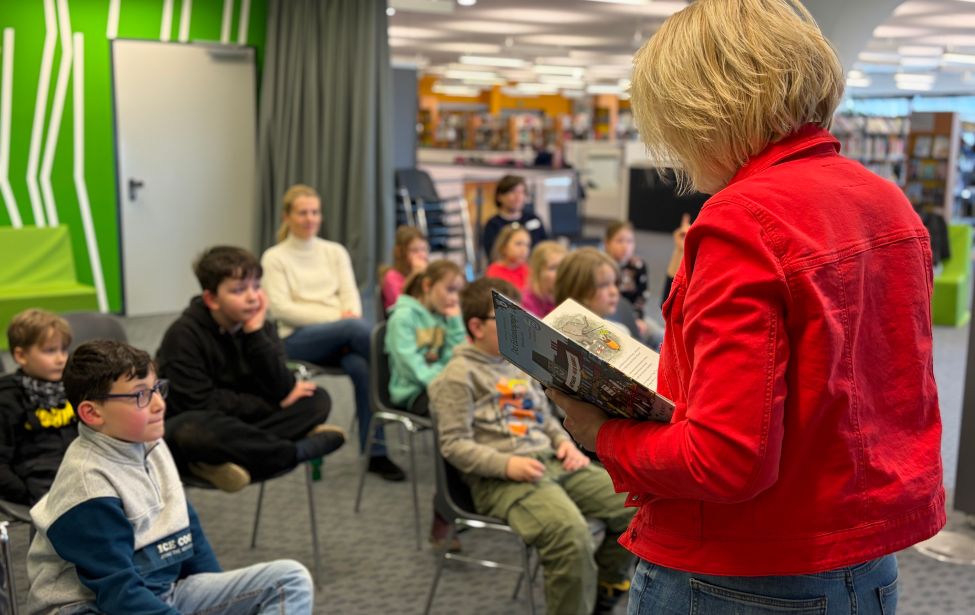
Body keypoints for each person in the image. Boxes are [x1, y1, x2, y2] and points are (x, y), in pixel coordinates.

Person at [551, 2, 945, 613]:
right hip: (864, 558)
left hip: (739, 571)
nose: (675, 153)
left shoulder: (743, 219)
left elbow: (725, 460)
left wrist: (601, 435)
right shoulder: (887, 201)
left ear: (703, 110)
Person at [26, 340, 314, 615]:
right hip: (93, 607)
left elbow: (187, 532)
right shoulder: (89, 487)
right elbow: (120, 596)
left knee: (289, 579)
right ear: (92, 413)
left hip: (159, 593)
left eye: (157, 389)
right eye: (141, 395)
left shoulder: (150, 442)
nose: (159, 405)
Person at [428, 278, 635, 615]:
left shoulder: (517, 364)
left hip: (550, 460)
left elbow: (543, 418)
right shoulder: (457, 375)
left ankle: (602, 592)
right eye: (506, 320)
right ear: (476, 327)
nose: (519, 328)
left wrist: (563, 444)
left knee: (633, 503)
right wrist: (507, 465)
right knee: (570, 537)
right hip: (501, 479)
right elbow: (454, 445)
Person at [156, 246, 346, 492]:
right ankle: (292, 452)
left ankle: (222, 460)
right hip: (202, 419)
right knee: (191, 432)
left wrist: (254, 334)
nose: (252, 297)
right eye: (239, 290)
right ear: (211, 299)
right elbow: (198, 403)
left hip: (243, 419)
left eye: (256, 287)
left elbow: (282, 387)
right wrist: (273, 405)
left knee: (316, 399)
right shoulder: (183, 335)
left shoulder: (261, 327)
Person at [261, 184, 403, 481]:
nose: (310, 218)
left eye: (315, 212)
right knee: (354, 328)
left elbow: (352, 297)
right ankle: (399, 377)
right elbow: (282, 310)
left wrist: (343, 319)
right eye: (302, 213)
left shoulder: (334, 252)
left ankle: (376, 453)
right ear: (287, 216)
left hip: (342, 336)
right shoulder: (274, 258)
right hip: (296, 339)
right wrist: (338, 319)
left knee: (361, 366)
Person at [0, 310, 77, 505]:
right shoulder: (7, 399)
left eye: (63, 350)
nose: (61, 359)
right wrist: (25, 495)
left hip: (80, 477)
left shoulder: (73, 388)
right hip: (39, 492)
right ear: (21, 355)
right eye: (50, 351)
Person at [385, 259, 466, 418]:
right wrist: (444, 379)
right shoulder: (402, 318)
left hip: (441, 385)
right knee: (460, 406)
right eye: (450, 290)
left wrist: (456, 324)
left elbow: (459, 357)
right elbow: (410, 368)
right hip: (413, 394)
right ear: (427, 285)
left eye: (458, 292)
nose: (455, 299)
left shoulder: (444, 316)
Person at [481, 175, 547, 259]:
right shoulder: (493, 224)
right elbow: (492, 254)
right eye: (513, 192)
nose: (518, 197)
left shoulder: (534, 219)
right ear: (499, 197)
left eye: (522, 192)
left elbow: (545, 247)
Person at [380, 226, 430, 314]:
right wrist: (415, 275)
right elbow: (402, 304)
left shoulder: (426, 274)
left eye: (424, 249)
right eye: (414, 251)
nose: (421, 255)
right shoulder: (392, 277)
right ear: (401, 253)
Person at [522, 240, 567, 318]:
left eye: (563, 267)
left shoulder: (567, 298)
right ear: (538, 271)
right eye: (553, 268)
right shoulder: (526, 303)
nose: (560, 273)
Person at [485, 225, 532, 292]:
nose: (524, 250)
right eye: (518, 244)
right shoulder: (494, 272)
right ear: (504, 246)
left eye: (527, 245)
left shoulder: (528, 271)